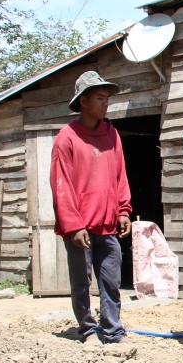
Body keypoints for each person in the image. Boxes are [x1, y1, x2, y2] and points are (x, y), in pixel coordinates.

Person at [50, 71, 134, 346]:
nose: (105, 103)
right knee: (82, 282)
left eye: (107, 98)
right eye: (100, 97)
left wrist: (123, 210)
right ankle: (87, 330)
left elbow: (120, 175)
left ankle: (113, 330)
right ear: (83, 101)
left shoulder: (112, 134)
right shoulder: (67, 138)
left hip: (107, 224)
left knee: (111, 281)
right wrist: (73, 225)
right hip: (80, 228)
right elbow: (61, 185)